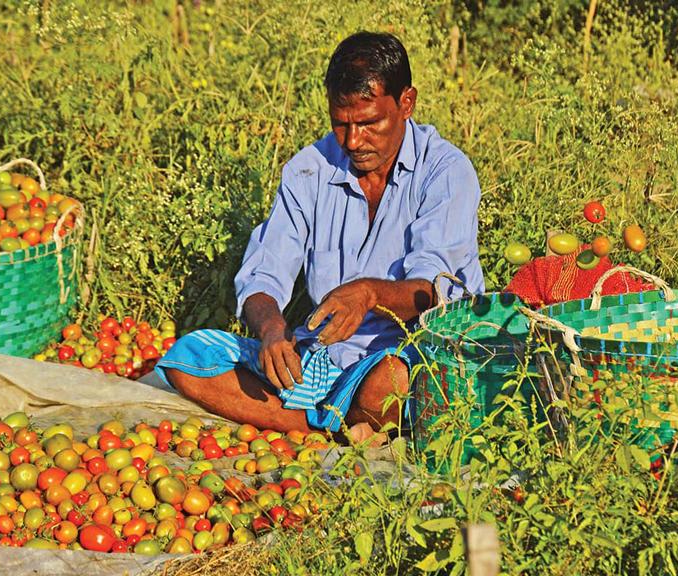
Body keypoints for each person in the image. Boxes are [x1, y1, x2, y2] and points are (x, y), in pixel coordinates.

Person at [155, 31, 484, 443]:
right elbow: (263, 275)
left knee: (396, 381)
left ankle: (316, 418)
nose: (352, 141)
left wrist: (369, 294)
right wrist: (273, 330)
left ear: (406, 104)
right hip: (321, 359)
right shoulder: (309, 170)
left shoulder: (445, 172)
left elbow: (433, 291)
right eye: (340, 124)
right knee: (188, 359)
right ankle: (331, 426)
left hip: (407, 352)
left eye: (368, 124)